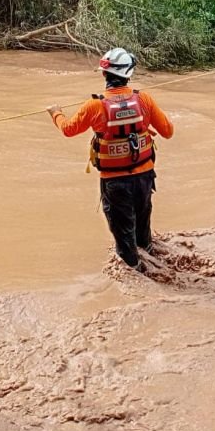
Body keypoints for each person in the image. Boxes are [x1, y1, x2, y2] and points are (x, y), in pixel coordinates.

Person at [46, 48, 174, 272]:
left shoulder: (94, 105)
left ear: (104, 75)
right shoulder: (144, 99)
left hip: (115, 182)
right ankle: (149, 253)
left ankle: (138, 278)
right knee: (142, 224)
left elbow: (68, 130)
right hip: (144, 177)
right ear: (129, 74)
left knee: (123, 236)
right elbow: (168, 131)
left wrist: (55, 113)